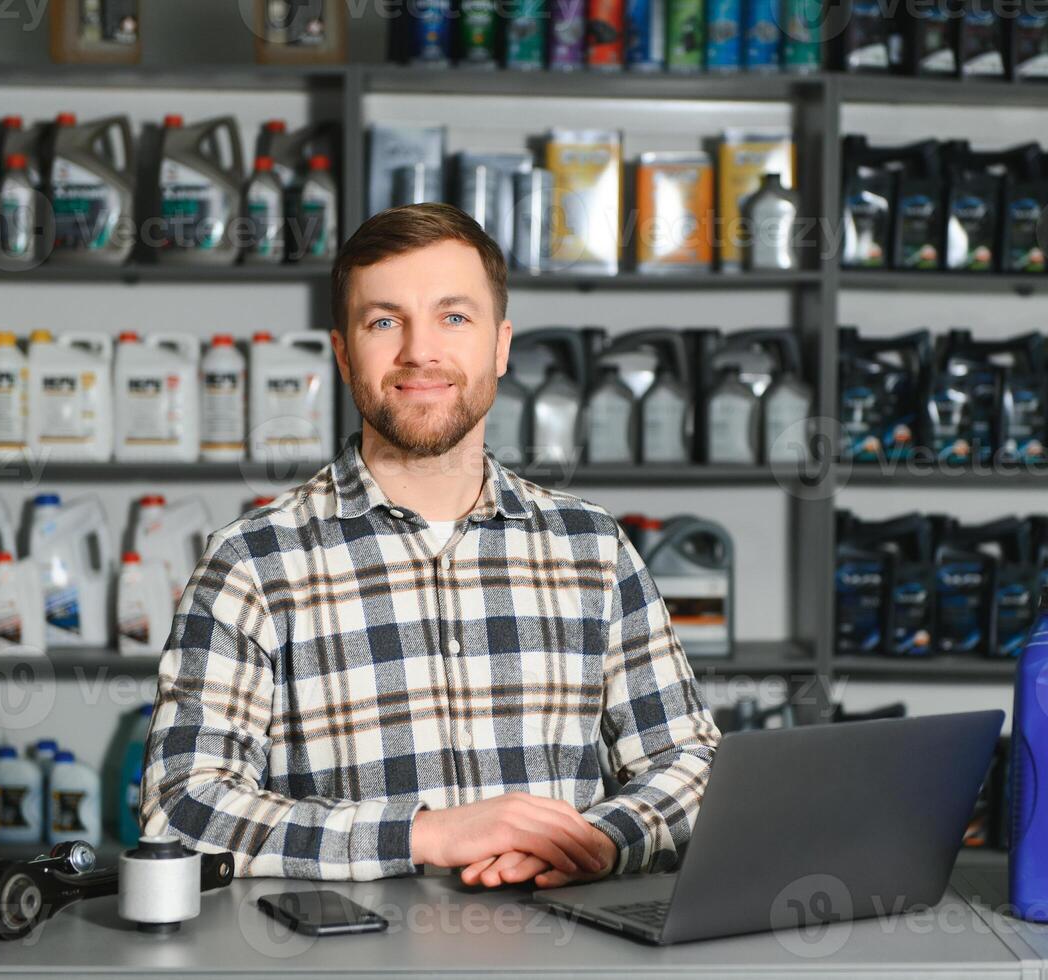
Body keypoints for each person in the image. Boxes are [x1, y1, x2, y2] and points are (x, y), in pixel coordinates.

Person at [140, 202, 719, 889]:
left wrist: (596, 839)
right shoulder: (253, 562)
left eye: (454, 317)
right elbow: (180, 808)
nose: (420, 351)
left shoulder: (590, 548)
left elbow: (690, 763)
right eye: (384, 321)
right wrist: (426, 833)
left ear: (500, 346)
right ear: (342, 352)